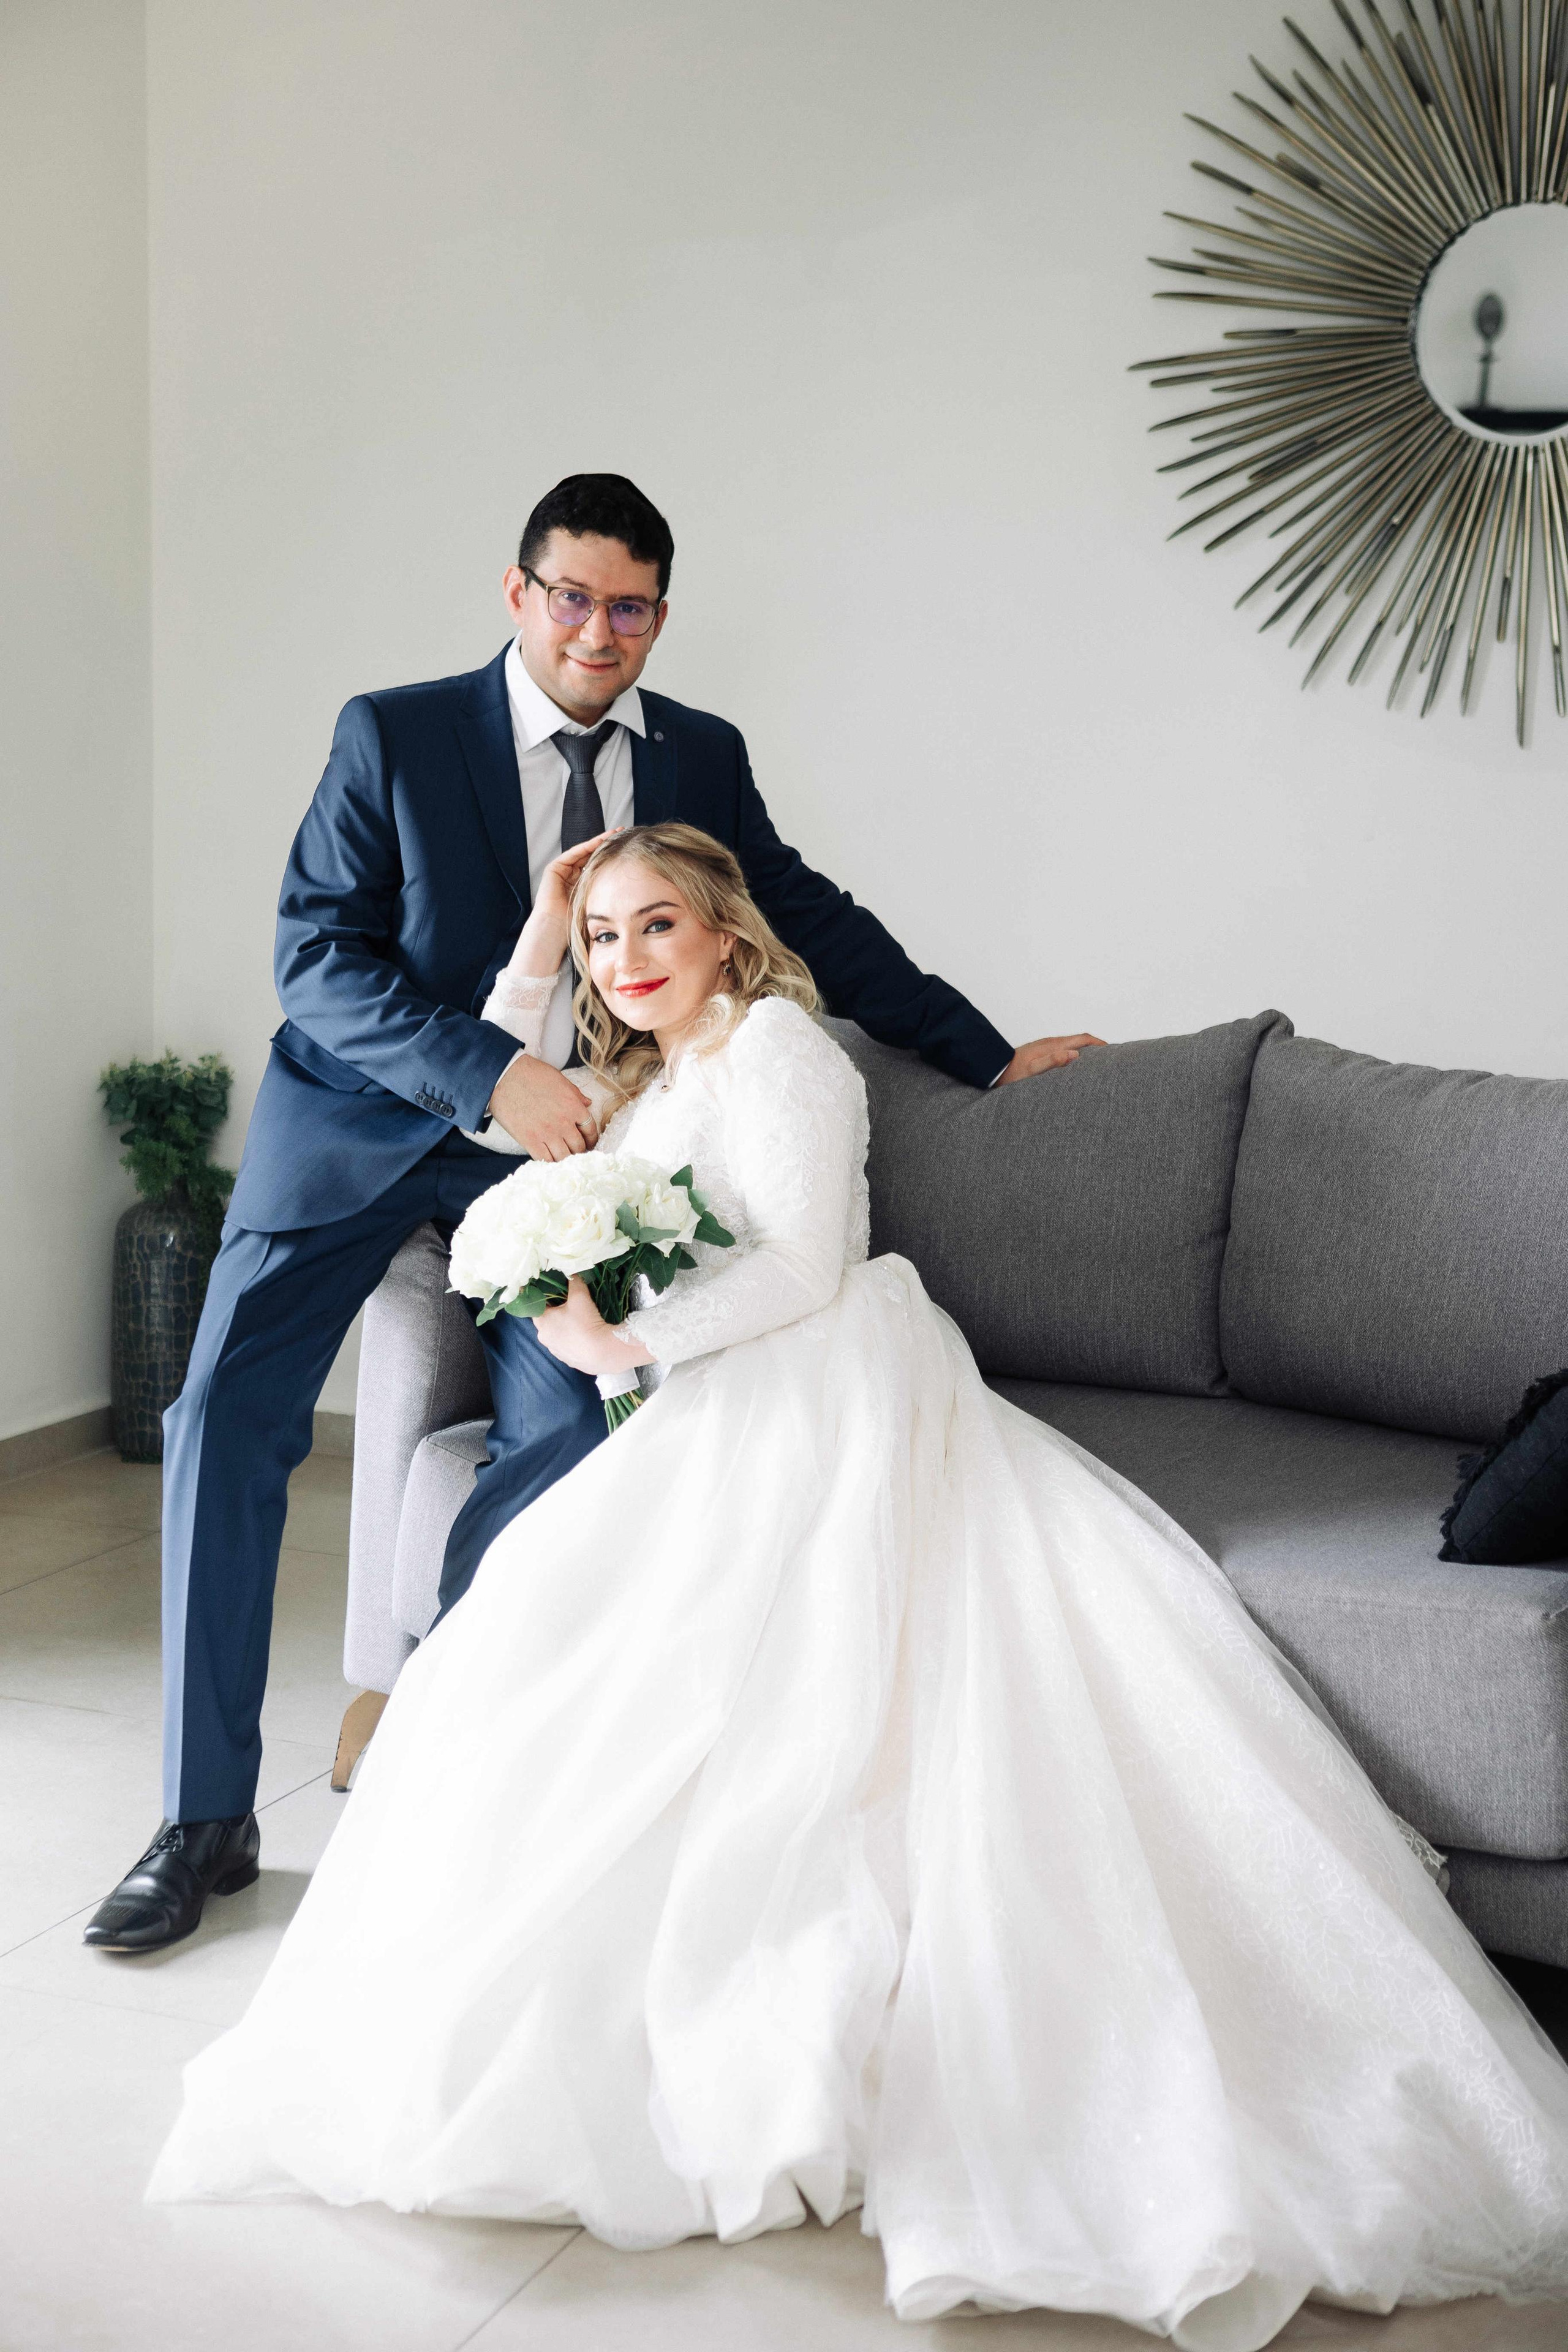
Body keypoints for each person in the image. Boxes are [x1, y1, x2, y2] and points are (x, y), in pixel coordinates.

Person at [149, 824, 1568, 2349]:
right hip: (707, 1399)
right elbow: (507, 1125)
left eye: (655, 929)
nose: (629, 963)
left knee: (799, 1673)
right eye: (608, 939)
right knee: (551, 1637)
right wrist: (543, 943)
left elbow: (805, 1268)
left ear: (722, 933)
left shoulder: (781, 1053)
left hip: (820, 1381)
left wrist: (630, 1341)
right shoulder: (646, 1071)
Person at [83, 473, 1100, 1959]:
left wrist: (984, 1049)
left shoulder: (701, 753)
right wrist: (490, 1075)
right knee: (225, 1412)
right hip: (364, 1127)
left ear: (660, 618)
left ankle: (448, 1720)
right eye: (571, 596)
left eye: (629, 607)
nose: (597, 630)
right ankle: (201, 1819)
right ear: (519, 594)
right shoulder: (393, 733)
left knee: (574, 1423)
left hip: (569, 1167)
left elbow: (798, 914)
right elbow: (317, 960)